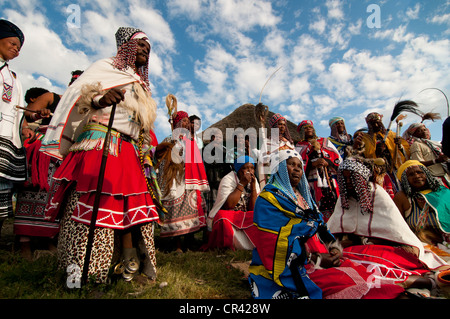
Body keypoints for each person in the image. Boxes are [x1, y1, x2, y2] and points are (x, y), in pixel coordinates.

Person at [41, 26, 160, 283]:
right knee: (95, 208)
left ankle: (128, 266)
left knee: (132, 210)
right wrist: (100, 99)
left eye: (148, 48)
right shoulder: (105, 67)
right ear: (125, 46)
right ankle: (86, 270)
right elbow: (80, 93)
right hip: (100, 142)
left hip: (128, 151)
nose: (145, 51)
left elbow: (142, 126)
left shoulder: (141, 85)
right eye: (139, 45)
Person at [248, 149, 405, 299]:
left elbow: (320, 225)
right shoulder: (268, 199)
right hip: (291, 263)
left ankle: (403, 284)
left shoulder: (305, 198)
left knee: (356, 269)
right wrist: (316, 259)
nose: (297, 169)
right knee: (345, 281)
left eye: (299, 166)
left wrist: (333, 248)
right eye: (291, 164)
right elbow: (271, 240)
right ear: (280, 168)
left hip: (318, 254)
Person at [328, 158, 450, 297]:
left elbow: (395, 232)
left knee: (375, 264)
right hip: (354, 249)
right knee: (343, 265)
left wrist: (366, 241)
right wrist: (335, 246)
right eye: (344, 178)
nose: (348, 181)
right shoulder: (343, 200)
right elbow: (333, 231)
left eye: (352, 177)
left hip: (383, 247)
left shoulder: (376, 193)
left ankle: (414, 282)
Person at [13, 87, 59, 259]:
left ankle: (48, 239)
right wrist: (39, 114)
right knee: (32, 192)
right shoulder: (52, 98)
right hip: (40, 152)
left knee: (53, 198)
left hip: (61, 155)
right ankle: (24, 243)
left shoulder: (82, 105)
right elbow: (25, 117)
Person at [155, 110, 209, 253]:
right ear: (177, 123)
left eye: (187, 120)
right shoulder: (169, 139)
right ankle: (177, 244)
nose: (186, 123)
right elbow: (161, 159)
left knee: (190, 210)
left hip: (189, 179)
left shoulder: (190, 141)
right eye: (183, 120)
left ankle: (188, 242)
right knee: (175, 211)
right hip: (175, 179)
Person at [0, 20, 35, 236]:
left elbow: (19, 112)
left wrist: (27, 124)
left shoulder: (13, 78)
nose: (16, 49)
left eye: (19, 47)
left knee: (2, 197)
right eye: (12, 43)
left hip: (5, 140)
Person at [393, 160, 450, 258]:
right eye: (411, 175)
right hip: (421, 246)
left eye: (420, 172)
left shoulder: (444, 193)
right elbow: (397, 226)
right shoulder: (403, 198)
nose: (416, 176)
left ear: (427, 174)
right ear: (405, 180)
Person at [203, 155, 259, 251]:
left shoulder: (254, 181)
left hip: (243, 218)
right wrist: (242, 184)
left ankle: (246, 244)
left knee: (260, 217)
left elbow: (253, 209)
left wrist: (253, 187)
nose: (249, 171)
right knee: (222, 217)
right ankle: (230, 244)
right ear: (238, 169)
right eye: (245, 168)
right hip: (231, 218)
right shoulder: (228, 179)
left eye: (252, 168)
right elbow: (229, 205)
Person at [295, 120, 341, 221]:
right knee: (316, 202)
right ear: (302, 131)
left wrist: (327, 162)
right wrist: (311, 164)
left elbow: (336, 157)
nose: (308, 129)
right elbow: (297, 164)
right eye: (305, 128)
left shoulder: (324, 141)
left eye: (310, 127)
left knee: (334, 200)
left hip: (329, 178)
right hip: (312, 180)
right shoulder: (299, 146)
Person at [353, 112, 410, 191]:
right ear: (368, 124)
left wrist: (399, 145)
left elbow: (406, 150)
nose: (376, 125)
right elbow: (359, 157)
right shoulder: (364, 138)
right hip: (378, 173)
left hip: (395, 169)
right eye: (372, 123)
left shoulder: (390, 134)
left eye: (378, 122)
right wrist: (377, 153)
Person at [403, 123, 449, 188]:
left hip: (444, 176)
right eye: (419, 130)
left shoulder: (431, 144)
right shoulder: (416, 145)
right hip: (434, 178)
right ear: (414, 134)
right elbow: (418, 164)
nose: (424, 132)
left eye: (424, 129)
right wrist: (436, 161)